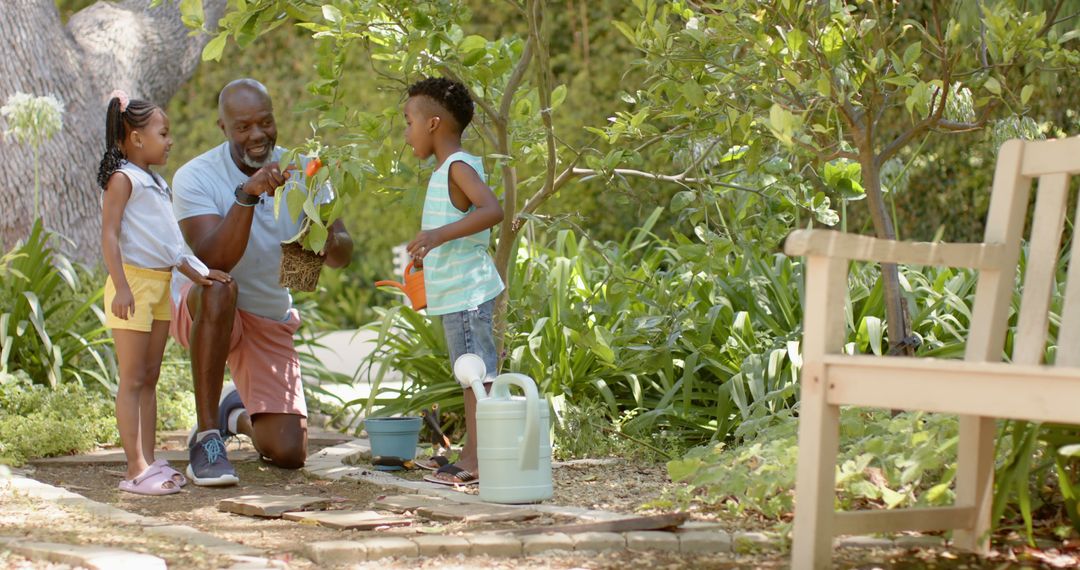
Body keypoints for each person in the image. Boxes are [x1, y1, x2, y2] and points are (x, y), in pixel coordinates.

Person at [170, 79, 353, 486]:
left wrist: (326, 241)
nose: (257, 135)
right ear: (223, 128)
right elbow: (212, 260)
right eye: (243, 127)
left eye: (265, 123)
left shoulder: (307, 169)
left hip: (266, 314)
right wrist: (247, 196)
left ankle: (232, 413)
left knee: (289, 452)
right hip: (206, 307)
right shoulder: (194, 176)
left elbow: (342, 254)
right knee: (219, 287)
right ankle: (207, 438)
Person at [97, 90, 231, 495]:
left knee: (151, 378)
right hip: (133, 286)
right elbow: (109, 233)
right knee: (133, 379)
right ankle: (135, 468)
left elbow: (170, 245)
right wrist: (121, 286)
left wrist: (203, 273)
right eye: (163, 132)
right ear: (137, 137)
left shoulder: (155, 181)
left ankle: (149, 457)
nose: (169, 140)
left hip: (157, 287)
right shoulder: (123, 179)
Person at [402, 77, 505, 486]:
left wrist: (436, 236)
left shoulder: (458, 166)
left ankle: (479, 461)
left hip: (468, 293)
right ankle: (471, 453)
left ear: (432, 124)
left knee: (477, 374)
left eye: (408, 121)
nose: (406, 132)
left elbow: (492, 209)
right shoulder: (447, 169)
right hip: (458, 291)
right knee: (471, 374)